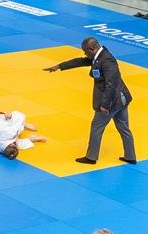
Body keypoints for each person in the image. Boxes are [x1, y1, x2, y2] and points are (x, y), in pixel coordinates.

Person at [45, 37, 137, 166]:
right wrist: (60, 66)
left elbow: (111, 85)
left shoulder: (107, 61)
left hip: (112, 101)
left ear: (91, 49)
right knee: (123, 127)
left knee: (96, 127)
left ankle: (91, 157)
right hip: (120, 100)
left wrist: (105, 105)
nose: (84, 54)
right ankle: (130, 156)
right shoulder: (99, 56)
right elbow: (81, 61)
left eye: (85, 51)